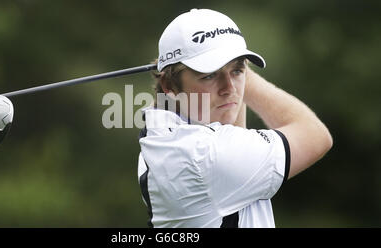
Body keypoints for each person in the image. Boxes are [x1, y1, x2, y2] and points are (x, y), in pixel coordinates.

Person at [137, 9, 333, 228]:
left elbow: (233, 132)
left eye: (237, 71)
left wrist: (222, 63)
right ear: (169, 85)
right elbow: (315, 136)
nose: (229, 88)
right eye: (209, 75)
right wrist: (241, 71)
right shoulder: (207, 155)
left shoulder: (161, 134)